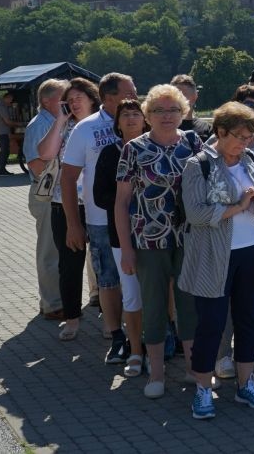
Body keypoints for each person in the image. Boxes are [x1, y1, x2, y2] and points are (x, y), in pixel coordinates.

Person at [180, 101, 254, 419]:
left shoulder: (250, 158)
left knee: (248, 320)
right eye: (239, 136)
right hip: (213, 257)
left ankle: (246, 384)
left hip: (251, 251)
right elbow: (195, 213)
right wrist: (238, 205)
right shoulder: (198, 164)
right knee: (212, 325)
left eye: (249, 136)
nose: (244, 142)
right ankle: (203, 390)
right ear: (220, 131)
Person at [115, 84, 202, 399]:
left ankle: (194, 370)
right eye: (159, 110)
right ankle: (157, 374)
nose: (167, 116)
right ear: (148, 115)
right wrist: (126, 249)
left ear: (184, 112)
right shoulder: (134, 149)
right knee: (152, 306)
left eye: (173, 110)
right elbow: (121, 202)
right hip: (148, 241)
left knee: (189, 304)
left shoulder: (193, 143)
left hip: (189, 239)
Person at [61, 72, 137, 358]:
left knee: (139, 279)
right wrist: (73, 223)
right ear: (108, 98)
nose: (135, 97)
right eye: (128, 92)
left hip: (140, 220)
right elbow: (67, 178)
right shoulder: (86, 129)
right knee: (108, 279)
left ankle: (140, 335)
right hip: (100, 220)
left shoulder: (140, 121)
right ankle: (115, 333)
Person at [39, 78, 99, 340]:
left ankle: (112, 322)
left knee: (105, 263)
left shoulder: (104, 125)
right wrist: (60, 121)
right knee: (70, 264)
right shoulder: (65, 127)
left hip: (98, 204)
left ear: (91, 98)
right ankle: (72, 319)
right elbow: (44, 153)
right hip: (64, 204)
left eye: (79, 98)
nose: (74, 103)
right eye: (70, 99)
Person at [94, 99, 149, 377]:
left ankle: (156, 346)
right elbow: (100, 196)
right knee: (131, 294)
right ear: (117, 122)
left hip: (156, 233)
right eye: (125, 115)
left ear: (145, 119)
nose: (130, 119)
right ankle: (135, 349)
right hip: (121, 233)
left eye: (135, 114)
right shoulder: (110, 153)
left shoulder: (158, 147)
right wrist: (133, 202)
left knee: (159, 293)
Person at [24, 78, 67, 320]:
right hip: (47, 194)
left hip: (60, 193)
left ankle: (62, 299)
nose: (67, 102)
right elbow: (36, 164)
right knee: (50, 250)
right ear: (46, 101)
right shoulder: (39, 125)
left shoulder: (57, 121)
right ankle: (52, 303)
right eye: (63, 98)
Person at [171, 74, 213, 141]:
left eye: (183, 95)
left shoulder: (207, 129)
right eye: (174, 96)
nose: (178, 99)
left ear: (195, 96)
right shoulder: (164, 127)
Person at [0, 91, 16, 175]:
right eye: (10, 99)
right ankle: (2, 169)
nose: (11, 101)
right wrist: (19, 124)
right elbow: (7, 121)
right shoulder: (1, 107)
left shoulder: (1, 106)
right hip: (3, 131)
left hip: (0, 131)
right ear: (6, 98)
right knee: (5, 150)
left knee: (3, 150)